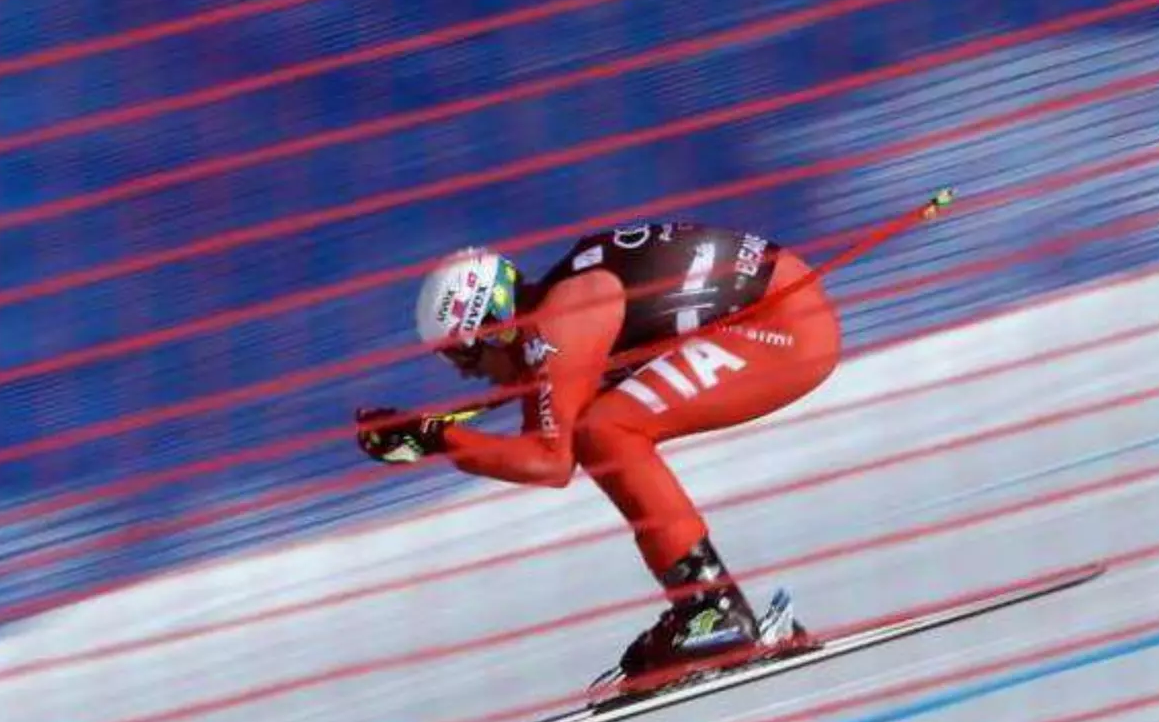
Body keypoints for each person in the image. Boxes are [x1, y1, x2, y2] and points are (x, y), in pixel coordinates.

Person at [355, 220, 844, 685]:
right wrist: (429, 434)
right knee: (601, 427)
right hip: (780, 309)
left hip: (785, 326)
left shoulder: (560, 323)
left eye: (464, 355)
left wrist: (438, 438)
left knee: (606, 430)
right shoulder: (559, 313)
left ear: (493, 324)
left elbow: (549, 461)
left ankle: (711, 610)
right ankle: (707, 606)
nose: (468, 374)